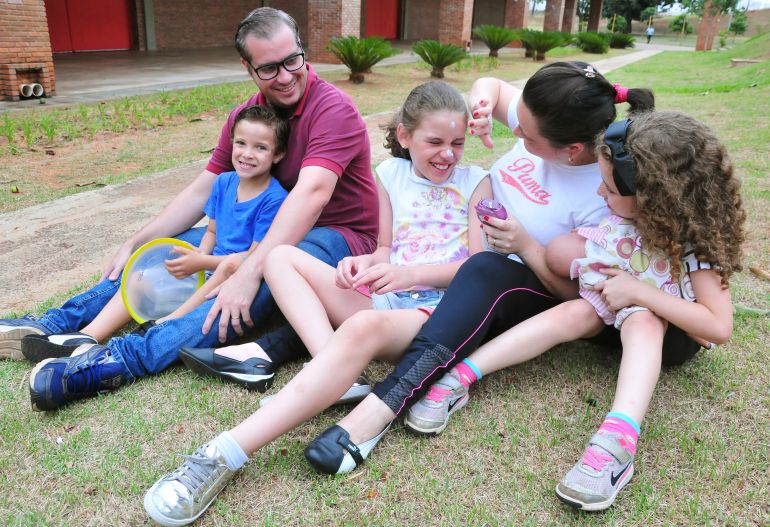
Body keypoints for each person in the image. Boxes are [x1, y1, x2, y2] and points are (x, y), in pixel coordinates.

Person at [298, 62, 674, 477]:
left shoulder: (602, 192)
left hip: (511, 281)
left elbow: (579, 303)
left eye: (526, 136)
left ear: (570, 151)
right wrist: (480, 103)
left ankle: (379, 408)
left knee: (484, 270)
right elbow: (493, 86)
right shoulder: (550, 114)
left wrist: (527, 247)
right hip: (462, 266)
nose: (515, 132)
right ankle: (289, 352)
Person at [143, 81, 491, 527]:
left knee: (359, 331)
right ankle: (336, 374)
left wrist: (409, 275)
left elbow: (479, 271)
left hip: (433, 313)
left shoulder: (477, 180)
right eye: (435, 142)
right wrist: (358, 266)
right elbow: (385, 249)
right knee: (281, 256)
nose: (447, 154)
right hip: (384, 297)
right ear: (404, 136)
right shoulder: (390, 175)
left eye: (457, 143)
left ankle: (225, 450)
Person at [4, 7, 379, 411]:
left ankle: (118, 361)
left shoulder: (332, 109)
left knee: (259, 273)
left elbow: (312, 195)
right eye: (269, 68)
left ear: (301, 51)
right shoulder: (247, 117)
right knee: (173, 251)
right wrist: (140, 240)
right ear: (248, 68)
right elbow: (204, 189)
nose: (286, 76)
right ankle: (57, 325)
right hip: (260, 223)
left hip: (335, 235)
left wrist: (249, 271)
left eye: (292, 60)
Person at [405, 112, 745, 511]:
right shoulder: (627, 220)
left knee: (643, 318)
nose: (600, 194)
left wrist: (640, 292)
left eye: (608, 188)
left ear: (655, 199)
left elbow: (718, 326)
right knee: (575, 313)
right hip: (611, 307)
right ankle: (460, 377)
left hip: (669, 332)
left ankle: (616, 444)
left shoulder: (696, 248)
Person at [20, 105, 289, 363]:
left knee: (228, 265)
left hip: (231, 274)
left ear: (277, 155)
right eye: (241, 143)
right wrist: (199, 253)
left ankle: (162, 325)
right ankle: (88, 335)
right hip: (207, 265)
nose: (247, 154)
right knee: (150, 271)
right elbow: (212, 230)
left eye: (261, 147)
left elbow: (252, 257)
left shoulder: (274, 198)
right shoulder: (223, 182)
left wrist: (202, 263)